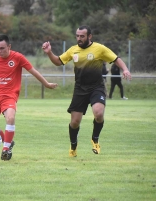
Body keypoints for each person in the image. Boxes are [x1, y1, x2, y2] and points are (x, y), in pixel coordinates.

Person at [42, 25, 131, 157]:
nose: (79, 38)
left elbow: (116, 59)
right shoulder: (73, 50)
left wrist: (125, 69)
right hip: (80, 88)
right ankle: (73, 145)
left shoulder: (99, 49)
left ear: (89, 36)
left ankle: (95, 139)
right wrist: (49, 52)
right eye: (77, 36)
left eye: (82, 36)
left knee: (98, 114)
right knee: (75, 122)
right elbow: (58, 61)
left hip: (97, 87)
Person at [0, 34, 58, 161]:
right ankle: (8, 141)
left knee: (10, 117)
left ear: (9, 46)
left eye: (2, 48)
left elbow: (33, 71)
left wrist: (46, 84)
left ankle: (6, 149)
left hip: (9, 95)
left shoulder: (18, 57)